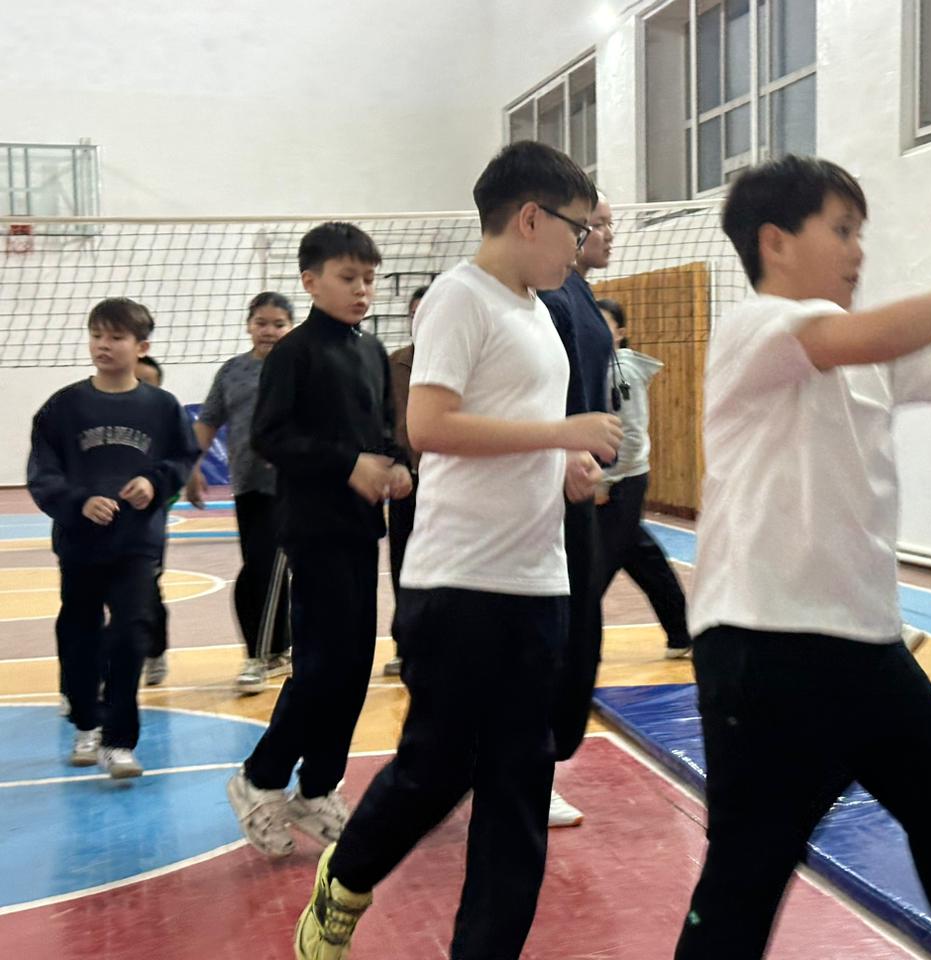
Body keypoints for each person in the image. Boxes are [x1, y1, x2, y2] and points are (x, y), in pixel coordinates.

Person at [677, 154, 931, 960]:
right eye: (843, 230)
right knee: (750, 868)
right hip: (764, 641)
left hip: (864, 644)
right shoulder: (758, 327)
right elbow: (859, 335)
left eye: (860, 233)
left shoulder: (866, 353)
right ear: (776, 243)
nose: (859, 251)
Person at [292, 141, 619, 960]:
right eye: (577, 229)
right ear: (531, 217)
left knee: (519, 785)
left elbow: (515, 426)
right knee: (436, 768)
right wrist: (561, 433)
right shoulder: (459, 298)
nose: (582, 246)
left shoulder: (541, 314)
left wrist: (564, 465)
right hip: (459, 582)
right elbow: (429, 426)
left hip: (536, 580)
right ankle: (347, 876)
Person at [226, 224, 413, 859]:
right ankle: (259, 778)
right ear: (311, 282)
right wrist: (347, 464)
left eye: (369, 280)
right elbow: (270, 437)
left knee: (354, 666)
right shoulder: (294, 353)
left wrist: (394, 464)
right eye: (348, 278)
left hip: (360, 527)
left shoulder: (371, 350)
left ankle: (318, 787)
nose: (362, 290)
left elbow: (381, 428)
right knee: (321, 667)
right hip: (312, 529)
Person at [27, 298, 199, 778]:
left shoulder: (162, 407)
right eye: (97, 335)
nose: (104, 345)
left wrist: (155, 482)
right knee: (79, 634)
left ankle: (119, 740)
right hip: (80, 543)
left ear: (141, 347)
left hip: (136, 543)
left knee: (131, 633)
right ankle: (87, 722)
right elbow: (42, 472)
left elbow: (182, 458)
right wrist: (78, 501)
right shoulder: (63, 407)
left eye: (116, 337)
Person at [538, 192, 616, 828]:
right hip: (551, 484)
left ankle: (535, 759)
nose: (608, 234)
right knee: (559, 631)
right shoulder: (552, 298)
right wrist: (565, 449)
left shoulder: (582, 296)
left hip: (580, 476)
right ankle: (530, 768)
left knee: (581, 626)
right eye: (599, 224)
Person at [187, 292, 295, 694]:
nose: (269, 331)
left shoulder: (299, 368)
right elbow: (208, 421)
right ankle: (279, 648)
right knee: (259, 567)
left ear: (290, 328)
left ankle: (259, 655)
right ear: (249, 325)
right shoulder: (232, 371)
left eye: (278, 324)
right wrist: (191, 467)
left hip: (288, 487)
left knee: (263, 569)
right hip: (246, 485)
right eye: (261, 322)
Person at [594, 297, 692, 658]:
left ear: (620, 333)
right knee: (641, 555)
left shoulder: (622, 371)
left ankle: (570, 640)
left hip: (622, 481)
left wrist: (607, 479)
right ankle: (682, 633)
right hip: (614, 480)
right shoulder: (597, 365)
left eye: (604, 324)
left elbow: (633, 435)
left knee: (595, 565)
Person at [382, 283, 431, 679]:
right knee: (403, 564)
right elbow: (382, 422)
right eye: (415, 314)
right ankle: (405, 644)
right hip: (407, 482)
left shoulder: (463, 360)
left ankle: (444, 640)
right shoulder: (393, 364)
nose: (422, 321)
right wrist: (395, 462)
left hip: (450, 483)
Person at [133, 355, 174, 686]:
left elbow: (176, 472)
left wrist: (155, 493)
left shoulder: (165, 425)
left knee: (147, 590)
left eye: (148, 383)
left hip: (148, 524)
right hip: (106, 521)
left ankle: (155, 651)